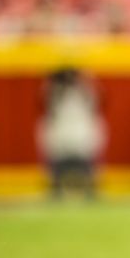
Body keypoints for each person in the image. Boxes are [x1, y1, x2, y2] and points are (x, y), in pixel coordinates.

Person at [38, 67, 105, 200]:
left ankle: (91, 188)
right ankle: (55, 188)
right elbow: (45, 106)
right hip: (60, 135)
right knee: (48, 134)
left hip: (82, 134)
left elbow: (99, 102)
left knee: (93, 132)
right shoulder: (54, 90)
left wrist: (85, 80)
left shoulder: (86, 90)